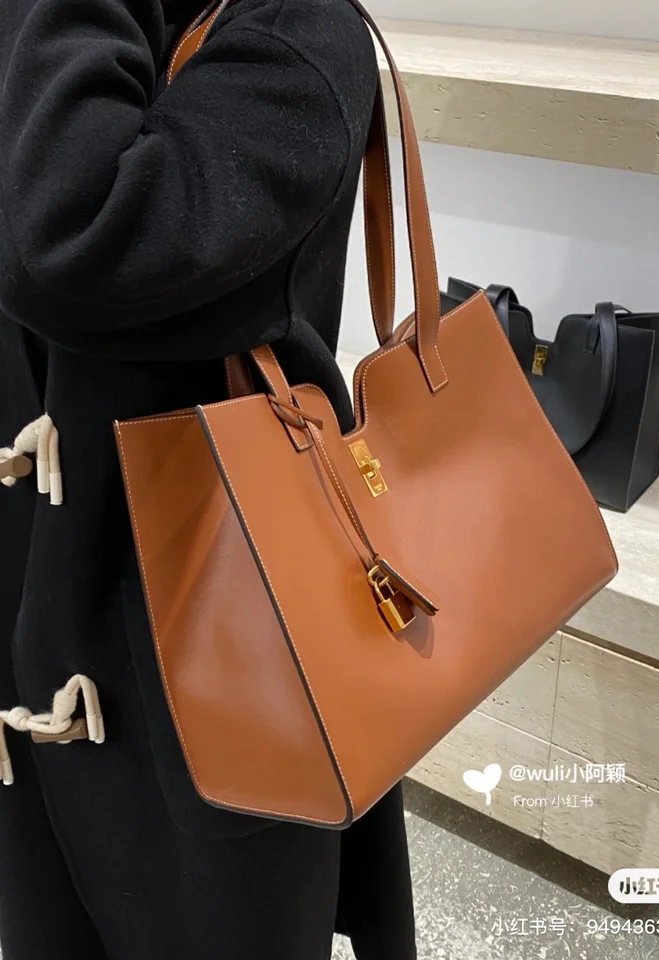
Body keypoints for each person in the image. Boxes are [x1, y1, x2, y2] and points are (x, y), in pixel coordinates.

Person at [0, 0, 416, 956]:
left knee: (213, 910)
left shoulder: (297, 32)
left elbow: (66, 234)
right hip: (44, 624)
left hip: (209, 649)